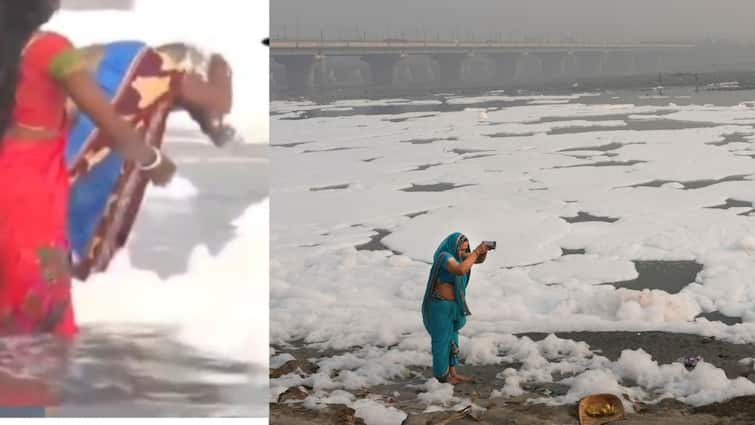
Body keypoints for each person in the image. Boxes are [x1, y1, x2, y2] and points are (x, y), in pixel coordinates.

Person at [0, 0, 175, 337]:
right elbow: (104, 116)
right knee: (42, 312)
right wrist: (151, 159)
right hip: (29, 187)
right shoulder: (53, 49)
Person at [65, 40, 236, 279]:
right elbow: (220, 101)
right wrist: (220, 63)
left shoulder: (125, 52)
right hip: (89, 146)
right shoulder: (164, 72)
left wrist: (212, 128)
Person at [421, 233, 489, 384]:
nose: (463, 251)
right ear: (453, 245)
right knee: (441, 341)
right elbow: (459, 270)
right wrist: (477, 251)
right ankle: (442, 376)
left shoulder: (458, 256)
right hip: (440, 306)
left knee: (453, 340)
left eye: (466, 247)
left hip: (453, 306)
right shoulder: (445, 257)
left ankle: (452, 372)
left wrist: (483, 253)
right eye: (461, 247)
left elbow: (477, 260)